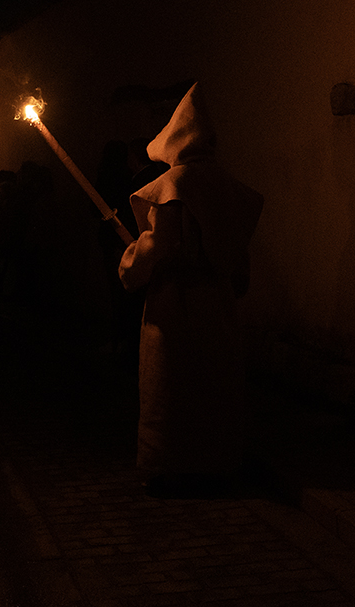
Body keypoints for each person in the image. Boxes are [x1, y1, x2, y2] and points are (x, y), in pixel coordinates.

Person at [118, 82, 263, 498]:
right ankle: (215, 463)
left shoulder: (176, 184)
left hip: (175, 302)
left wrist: (130, 260)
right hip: (215, 301)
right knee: (212, 383)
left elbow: (158, 245)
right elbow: (237, 248)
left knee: (172, 386)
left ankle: (170, 466)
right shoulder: (225, 184)